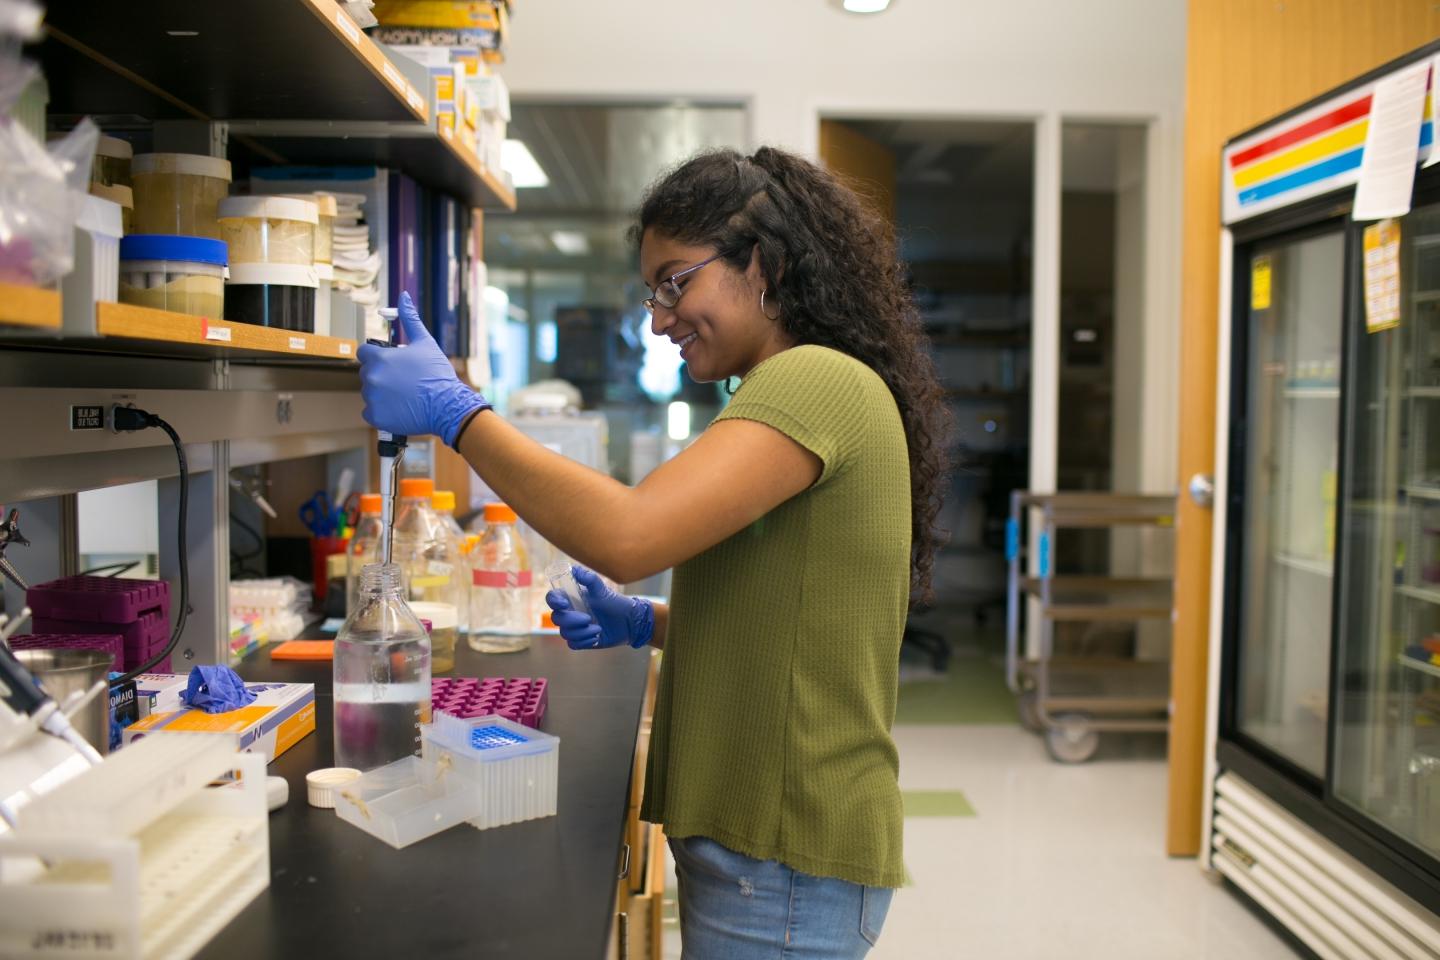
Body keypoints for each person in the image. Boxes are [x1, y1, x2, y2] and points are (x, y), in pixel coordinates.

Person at [358, 146, 949, 959]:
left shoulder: (814, 381)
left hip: (782, 855)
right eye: (653, 291)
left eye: (678, 281)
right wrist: (650, 622)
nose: (660, 317)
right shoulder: (802, 387)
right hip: (770, 849)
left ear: (764, 264)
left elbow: (629, 534)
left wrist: (457, 414)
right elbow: (802, 616)